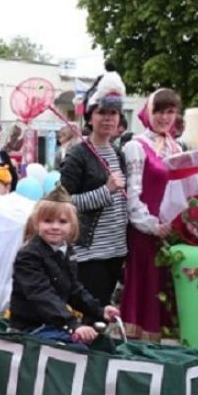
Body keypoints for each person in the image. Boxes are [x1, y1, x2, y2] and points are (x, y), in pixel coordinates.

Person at [9, 187, 120, 344]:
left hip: (54, 324)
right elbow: (42, 295)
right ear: (37, 222)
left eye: (62, 222)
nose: (55, 226)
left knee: (104, 346)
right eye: (48, 221)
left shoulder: (67, 250)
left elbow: (73, 289)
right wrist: (72, 324)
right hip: (30, 327)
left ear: (72, 225)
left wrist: (99, 310)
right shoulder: (29, 255)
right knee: (77, 353)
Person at [59, 70, 129, 307]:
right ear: (90, 117)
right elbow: (62, 203)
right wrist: (105, 191)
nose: (108, 118)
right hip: (90, 253)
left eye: (113, 113)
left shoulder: (119, 154)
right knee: (91, 315)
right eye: (102, 113)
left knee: (105, 313)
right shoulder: (78, 154)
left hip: (116, 250)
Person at [121, 87, 183, 338]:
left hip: (170, 232)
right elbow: (132, 192)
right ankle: (136, 348)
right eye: (159, 111)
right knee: (144, 288)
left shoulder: (176, 147)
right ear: (149, 112)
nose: (165, 117)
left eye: (170, 112)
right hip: (144, 232)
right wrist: (150, 224)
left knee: (164, 288)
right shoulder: (136, 146)